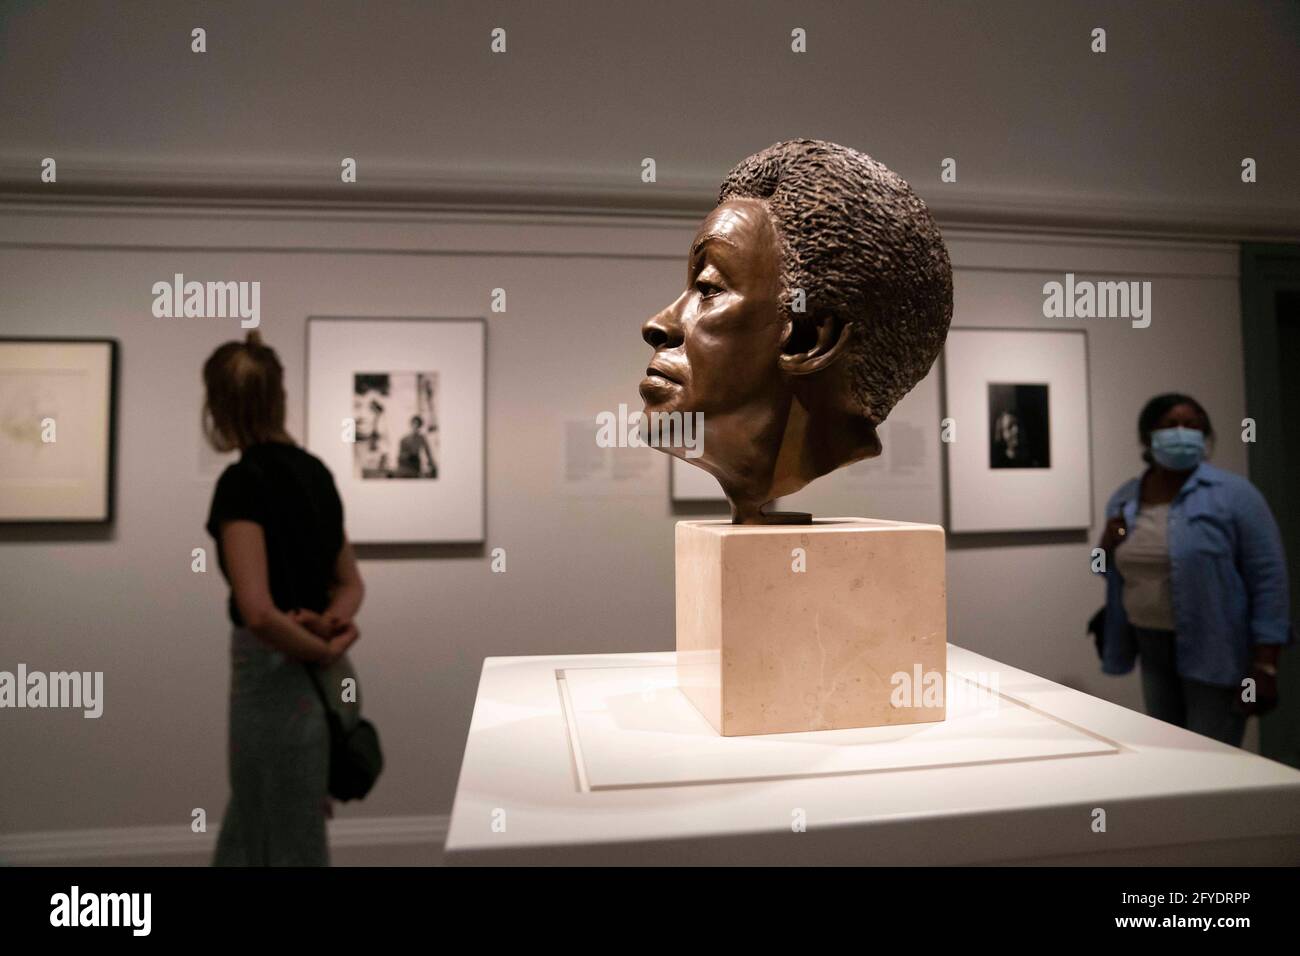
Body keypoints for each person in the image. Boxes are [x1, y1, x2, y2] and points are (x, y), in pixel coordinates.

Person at [202, 330, 365, 865]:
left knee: (279, 832)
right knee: (276, 818)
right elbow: (350, 584)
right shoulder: (315, 474)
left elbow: (258, 610)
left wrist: (312, 646)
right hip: (330, 677)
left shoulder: (242, 483)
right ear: (279, 397)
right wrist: (326, 629)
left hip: (274, 681)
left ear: (219, 406)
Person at [1097, 393, 1291, 746]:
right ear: (1148, 436)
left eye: (1193, 425)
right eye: (1170, 425)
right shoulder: (1126, 497)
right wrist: (1107, 544)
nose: (1182, 433)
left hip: (1217, 646)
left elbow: (1270, 580)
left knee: (1210, 756)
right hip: (1151, 645)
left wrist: (1266, 666)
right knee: (1168, 754)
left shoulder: (1235, 495)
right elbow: (1104, 570)